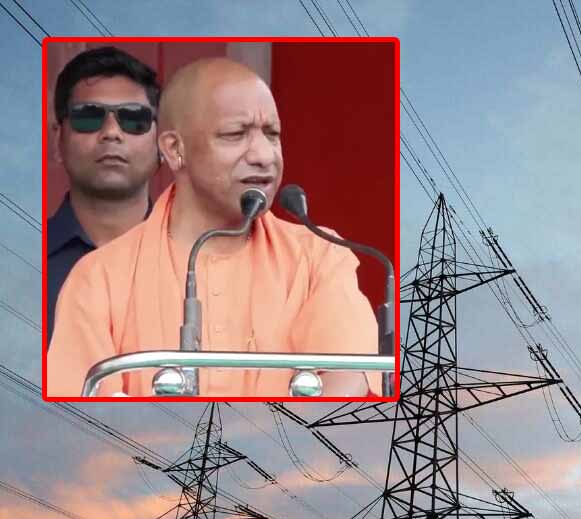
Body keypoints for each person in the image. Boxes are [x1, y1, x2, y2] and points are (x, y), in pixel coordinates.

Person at [47, 56, 382, 398]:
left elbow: (342, 382)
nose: (264, 156)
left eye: (272, 135)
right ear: (175, 149)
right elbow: (87, 414)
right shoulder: (97, 278)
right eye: (235, 135)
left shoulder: (319, 256)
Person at [47, 46, 160, 342]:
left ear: (161, 142)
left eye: (134, 119)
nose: (111, 132)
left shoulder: (200, 261)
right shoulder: (21, 259)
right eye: (89, 117)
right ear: (57, 140)